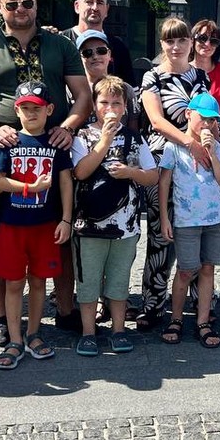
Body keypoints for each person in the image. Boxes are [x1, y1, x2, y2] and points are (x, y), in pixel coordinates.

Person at [0, 0, 90, 341]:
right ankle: (2, 316)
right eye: (12, 4)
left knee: (61, 229)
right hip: (2, 152)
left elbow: (82, 95)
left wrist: (70, 126)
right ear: (0, 9)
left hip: (53, 148)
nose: (20, 9)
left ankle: (65, 310)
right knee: (0, 234)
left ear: (36, 4)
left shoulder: (61, 45)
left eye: (26, 3)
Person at [0, 81, 74, 368]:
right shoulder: (9, 142)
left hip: (44, 225)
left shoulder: (55, 143)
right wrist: (28, 189)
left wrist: (66, 219)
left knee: (38, 281)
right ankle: (15, 338)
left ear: (49, 109)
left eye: (36, 108)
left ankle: (35, 333)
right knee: (14, 282)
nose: (30, 113)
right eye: (24, 108)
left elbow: (65, 181)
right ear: (16, 110)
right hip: (12, 225)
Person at [71, 76, 159, 355]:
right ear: (95, 105)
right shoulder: (82, 136)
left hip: (126, 225)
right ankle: (88, 332)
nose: (110, 108)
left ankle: (119, 329)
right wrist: (105, 139)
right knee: (87, 282)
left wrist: (131, 172)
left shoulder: (135, 138)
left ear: (125, 107)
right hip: (89, 225)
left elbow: (152, 175)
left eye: (116, 103)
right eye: (104, 102)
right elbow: (81, 171)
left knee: (119, 279)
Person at [134, 17, 210, 329]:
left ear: (191, 44)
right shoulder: (152, 77)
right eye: (169, 40)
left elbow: (206, 115)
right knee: (160, 234)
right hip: (164, 156)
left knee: (195, 230)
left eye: (181, 40)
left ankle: (198, 301)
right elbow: (156, 120)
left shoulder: (200, 77)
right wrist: (189, 143)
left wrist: (198, 145)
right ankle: (153, 303)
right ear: (162, 44)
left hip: (194, 164)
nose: (175, 46)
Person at [158, 92, 220, 348]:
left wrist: (211, 152)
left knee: (208, 268)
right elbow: (164, 182)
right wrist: (165, 217)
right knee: (186, 270)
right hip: (186, 219)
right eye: (203, 118)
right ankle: (176, 318)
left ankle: (202, 321)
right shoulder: (174, 145)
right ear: (189, 114)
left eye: (213, 120)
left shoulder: (217, 146)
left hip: (213, 218)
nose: (208, 125)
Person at [62, 0, 135, 84]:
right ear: (77, 6)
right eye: (89, 2)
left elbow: (129, 91)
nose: (95, 8)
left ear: (106, 9)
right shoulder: (61, 41)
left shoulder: (118, 47)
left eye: (100, 3)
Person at [190, 19, 220, 113]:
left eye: (213, 41)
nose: (207, 44)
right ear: (192, 40)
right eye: (202, 38)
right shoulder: (184, 70)